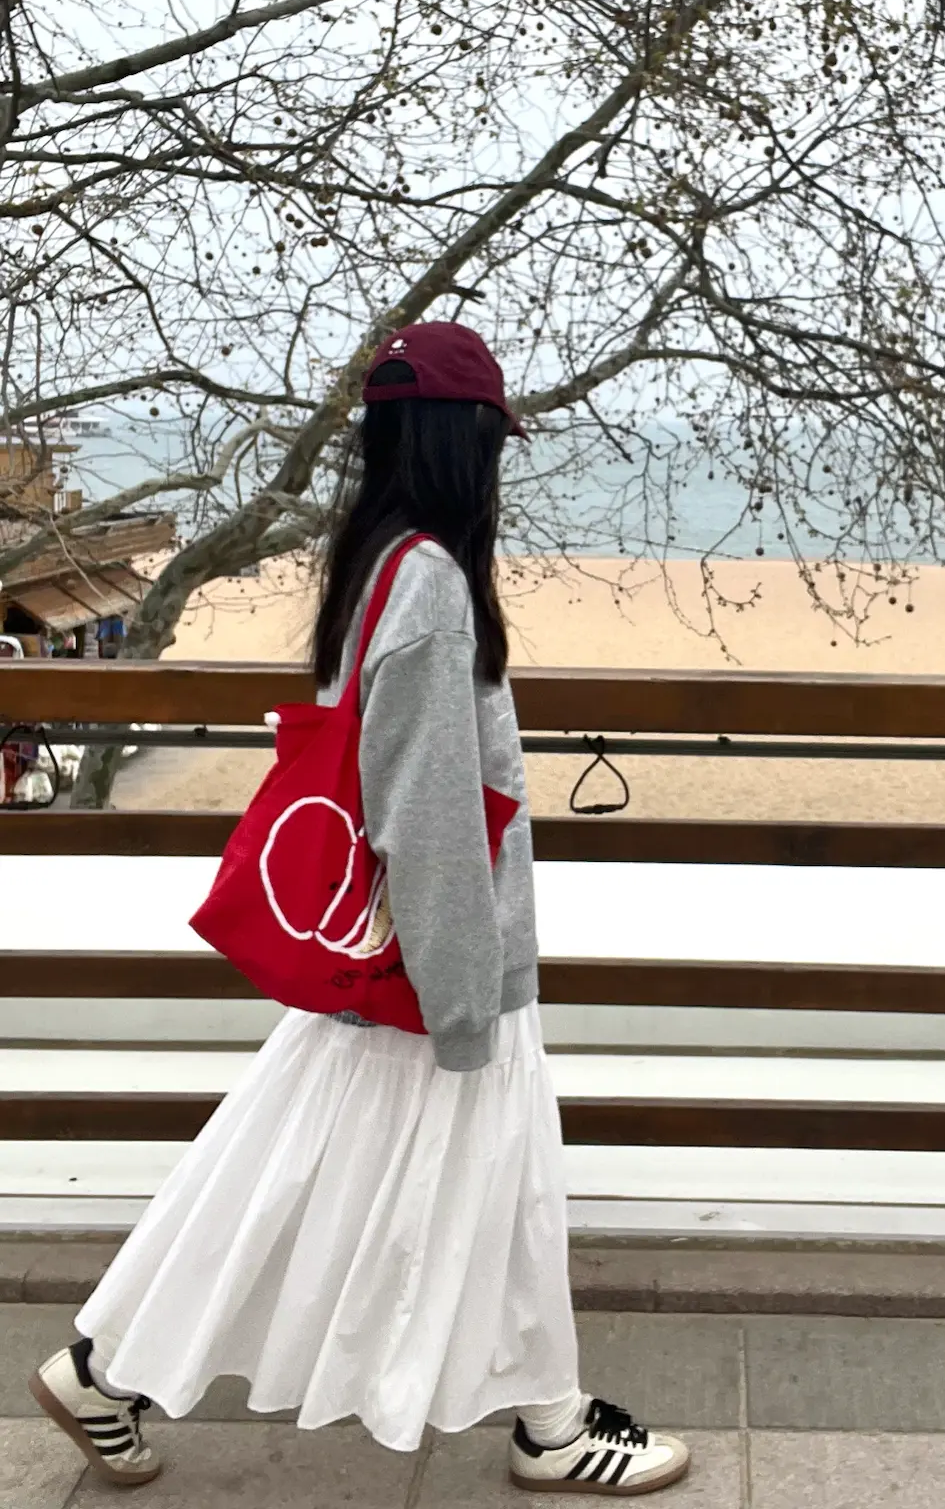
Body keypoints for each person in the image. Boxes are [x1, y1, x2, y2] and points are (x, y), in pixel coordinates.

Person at [29, 322, 690, 1496]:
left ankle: (106, 1371)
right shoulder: (430, 583)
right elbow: (425, 811)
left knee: (293, 1175)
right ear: (464, 439)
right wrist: (467, 1002)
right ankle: (548, 1428)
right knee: (472, 1184)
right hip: (435, 967)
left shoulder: (376, 561)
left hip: (378, 954)